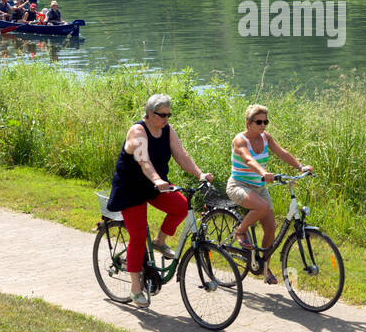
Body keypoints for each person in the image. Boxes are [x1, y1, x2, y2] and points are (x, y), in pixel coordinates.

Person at [105, 94, 213, 307]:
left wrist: (200, 174)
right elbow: (144, 161)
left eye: (168, 115)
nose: (166, 119)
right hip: (131, 188)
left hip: (155, 186)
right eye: (162, 115)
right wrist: (157, 179)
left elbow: (182, 155)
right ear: (150, 113)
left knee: (181, 206)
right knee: (137, 236)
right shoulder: (137, 132)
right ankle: (135, 288)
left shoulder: (167, 130)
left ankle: (159, 241)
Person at [227, 105, 311, 284]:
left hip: (258, 187)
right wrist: (262, 172)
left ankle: (264, 267)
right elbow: (248, 160)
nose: (263, 125)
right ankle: (240, 231)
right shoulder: (240, 140)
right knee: (262, 207)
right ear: (248, 123)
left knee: (271, 228)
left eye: (266, 121)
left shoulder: (266, 138)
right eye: (259, 122)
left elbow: (282, 153)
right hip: (239, 185)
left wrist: (300, 167)